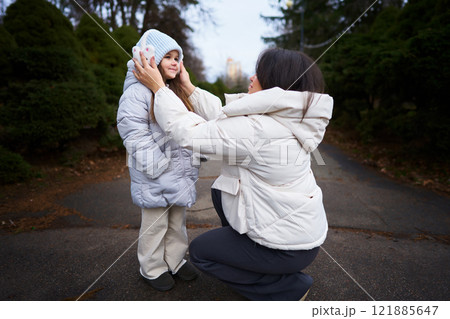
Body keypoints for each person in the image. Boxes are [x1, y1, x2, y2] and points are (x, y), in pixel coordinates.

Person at [133, 47, 333, 300]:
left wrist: (160, 89)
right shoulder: (285, 120)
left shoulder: (259, 128)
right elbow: (223, 121)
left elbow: (190, 133)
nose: (252, 77)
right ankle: (268, 268)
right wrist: (190, 88)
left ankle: (287, 288)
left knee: (201, 252)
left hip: (284, 248)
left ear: (276, 84)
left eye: (259, 74)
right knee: (222, 190)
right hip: (300, 240)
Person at [116, 29, 222, 292]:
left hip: (180, 172)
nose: (175, 62)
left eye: (178, 57)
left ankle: (174, 260)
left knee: (177, 221)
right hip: (154, 173)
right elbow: (133, 133)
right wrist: (157, 166)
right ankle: (151, 267)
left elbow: (191, 125)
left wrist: (197, 153)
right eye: (168, 57)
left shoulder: (175, 92)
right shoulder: (136, 93)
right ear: (150, 59)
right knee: (155, 224)